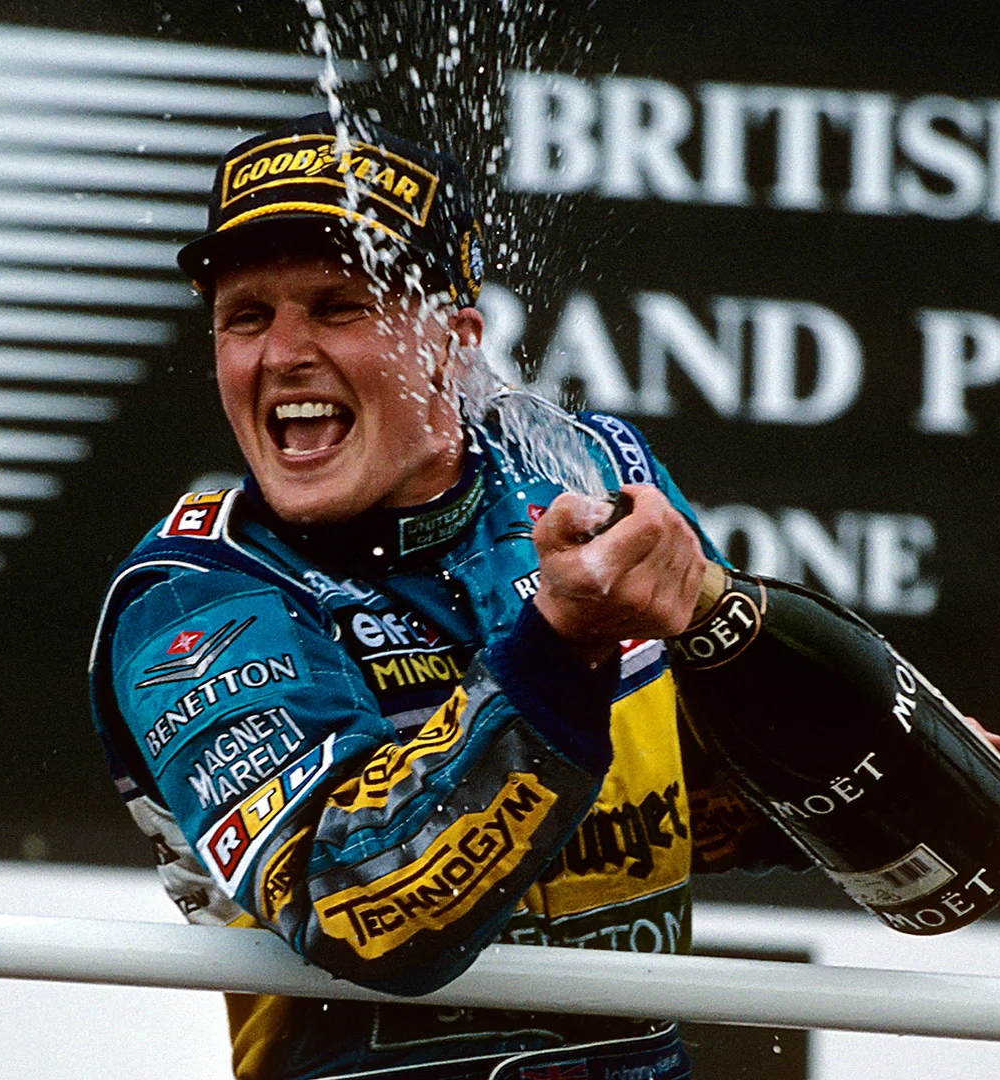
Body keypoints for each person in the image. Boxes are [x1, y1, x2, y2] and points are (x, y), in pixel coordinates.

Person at [89, 112, 798, 1080]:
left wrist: (865, 772)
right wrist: (558, 651)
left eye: (339, 306)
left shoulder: (590, 471)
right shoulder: (191, 595)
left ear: (454, 344)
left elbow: (700, 785)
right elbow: (356, 904)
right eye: (246, 317)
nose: (283, 352)